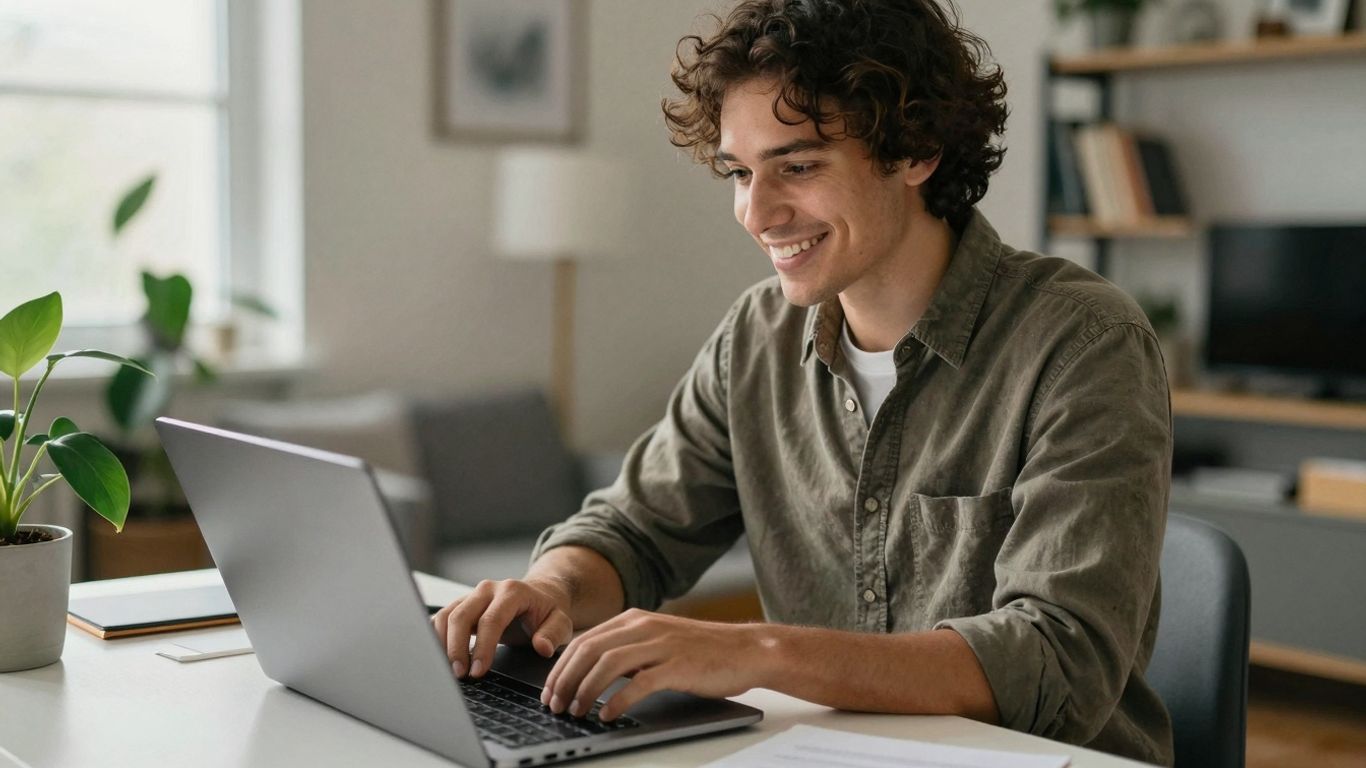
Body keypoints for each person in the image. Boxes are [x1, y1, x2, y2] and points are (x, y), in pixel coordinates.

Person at [433, 0, 1173, 763]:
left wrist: (759, 650)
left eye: (799, 165)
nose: (757, 212)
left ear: (915, 151)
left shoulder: (1084, 342)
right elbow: (634, 531)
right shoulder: (755, 338)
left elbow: (1059, 661)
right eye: (739, 172)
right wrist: (551, 589)